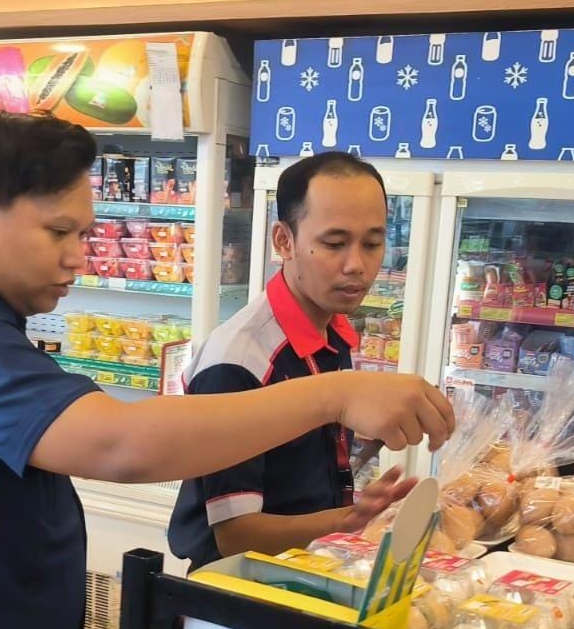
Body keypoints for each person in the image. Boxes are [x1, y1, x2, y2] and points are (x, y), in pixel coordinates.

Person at [0, 115, 454, 629]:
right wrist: (337, 396)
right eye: (58, 232)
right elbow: (119, 444)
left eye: (85, 235)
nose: (77, 257)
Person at [169, 152, 414, 570]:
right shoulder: (239, 363)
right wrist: (351, 521)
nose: (357, 265)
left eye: (372, 244)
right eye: (335, 244)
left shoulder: (330, 329)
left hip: (306, 570)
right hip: (237, 590)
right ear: (284, 241)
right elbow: (236, 535)